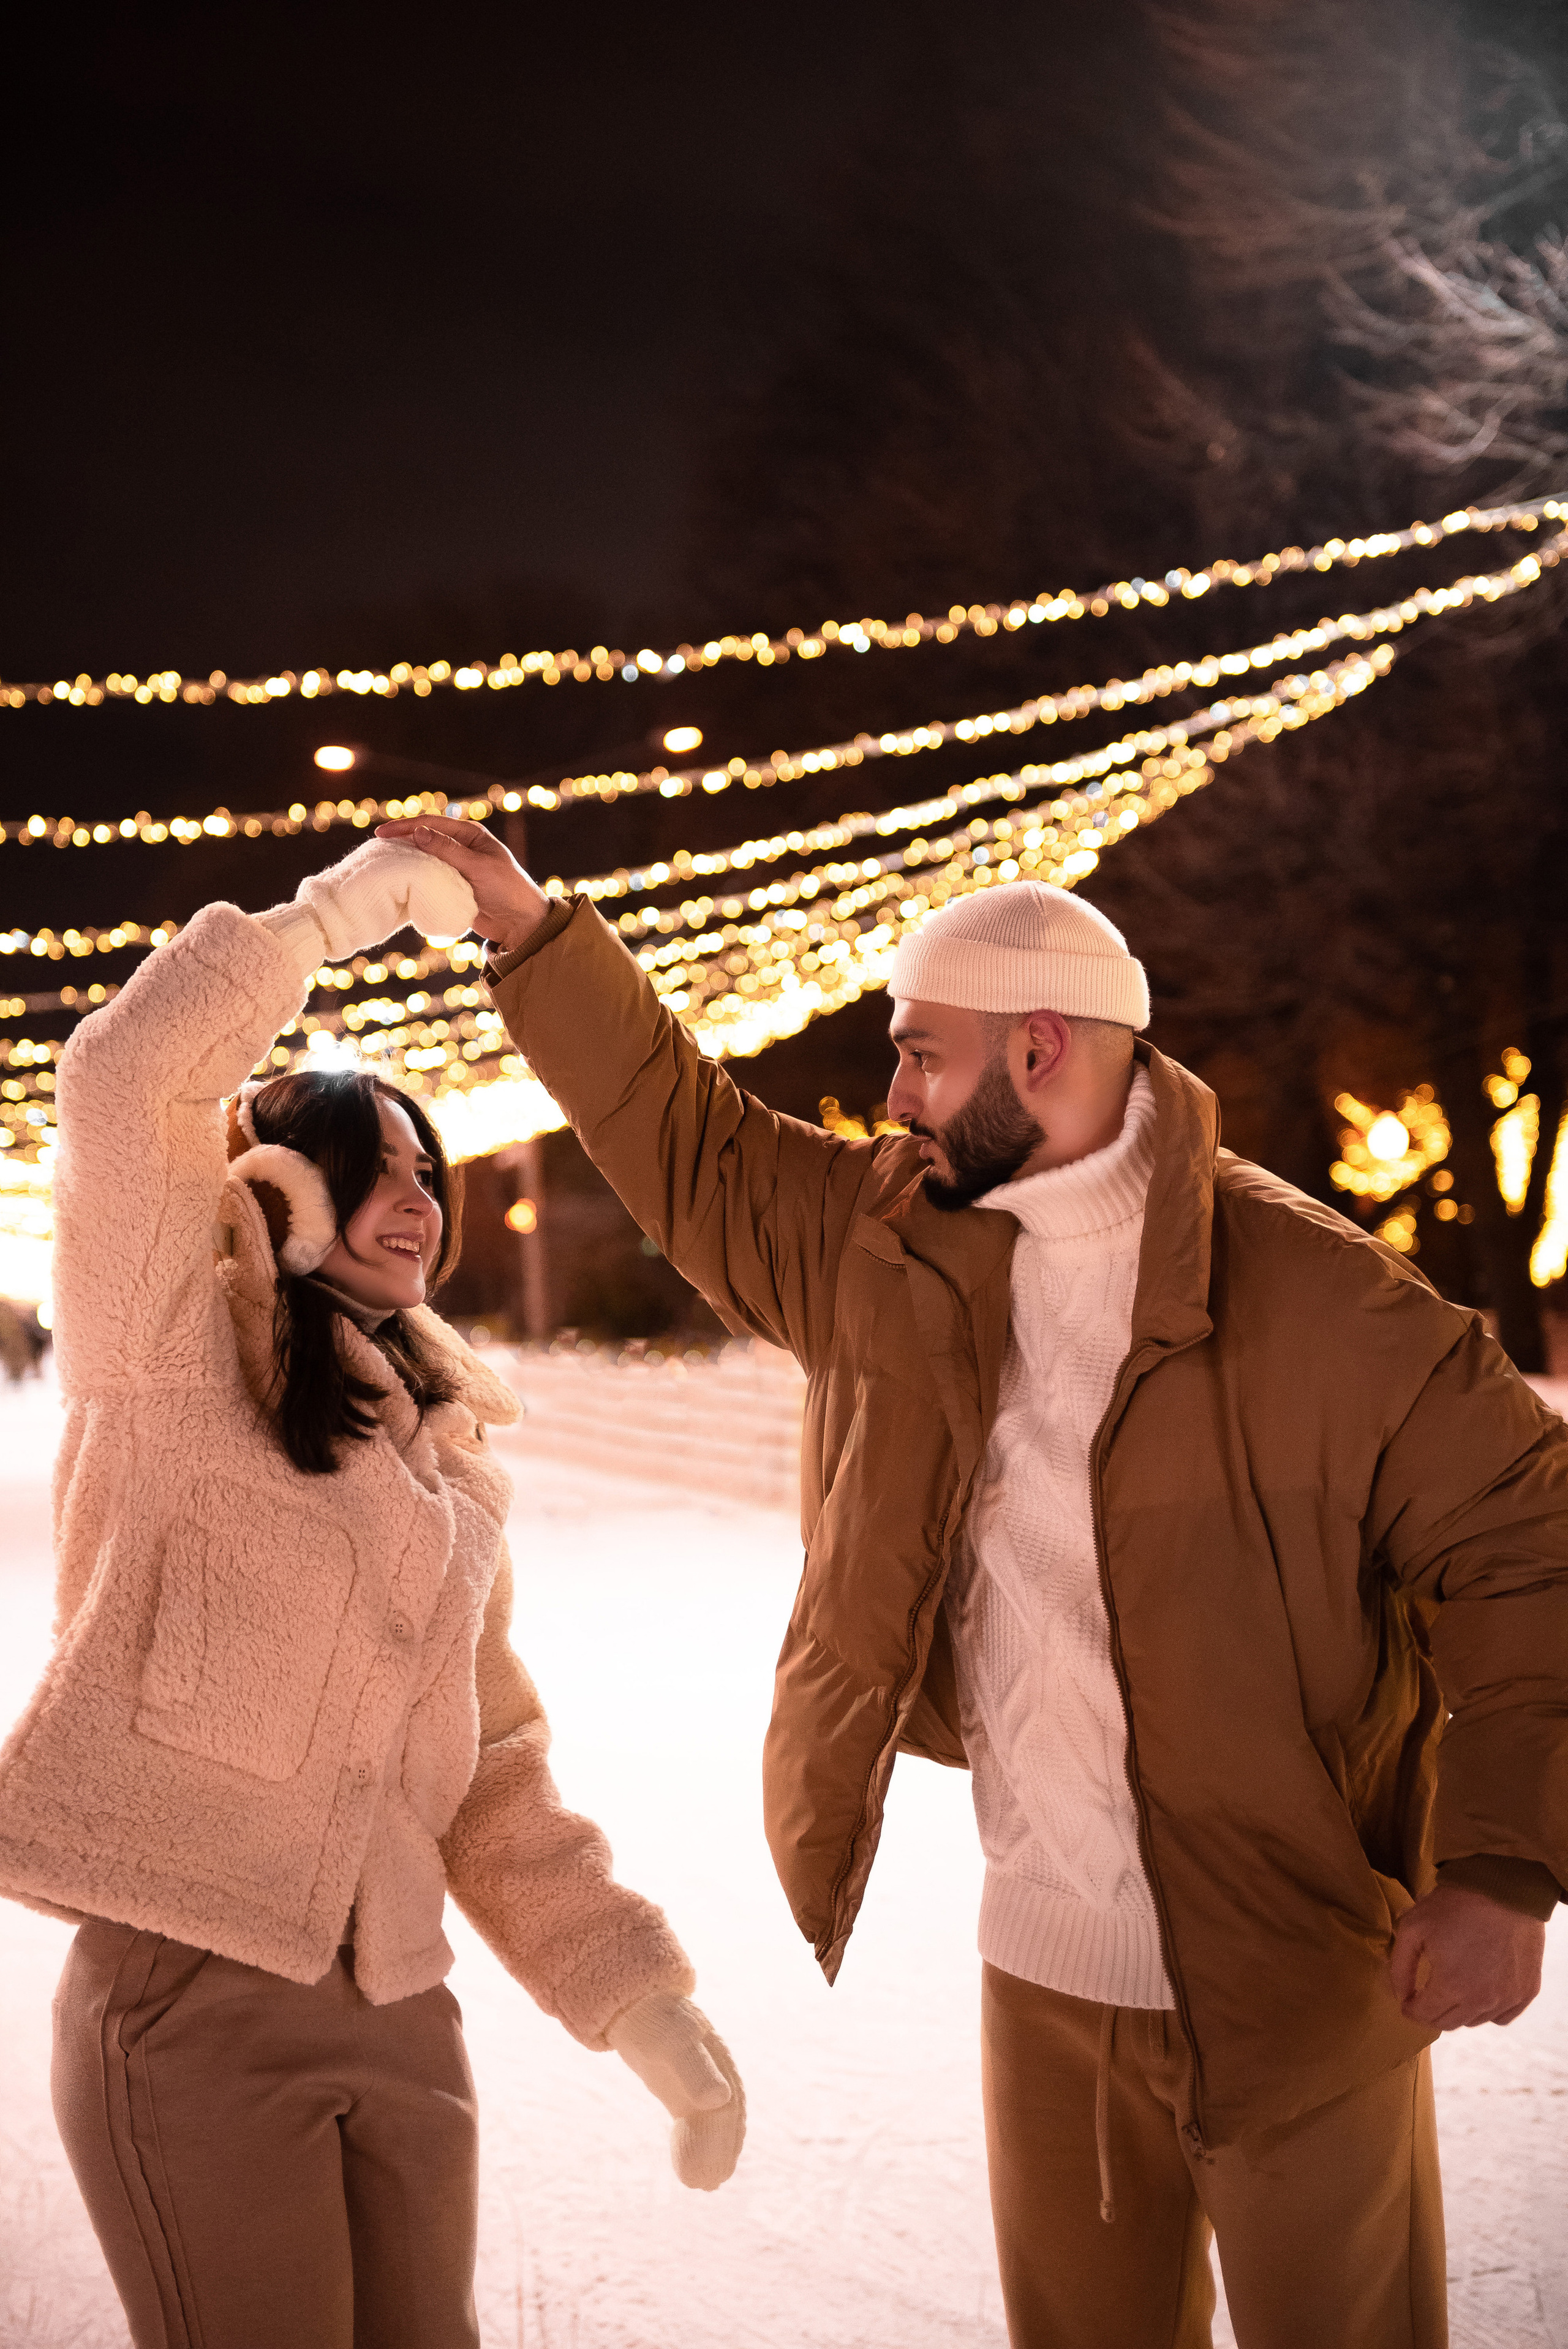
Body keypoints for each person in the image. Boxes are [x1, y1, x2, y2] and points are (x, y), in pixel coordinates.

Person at [382, 812, 1568, 2349]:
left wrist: (1498, 1870)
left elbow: (1526, 1556)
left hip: (1297, 1981)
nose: (890, 1097)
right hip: (1042, 1971)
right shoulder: (890, 1243)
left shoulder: (1325, 1301)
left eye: (920, 1057)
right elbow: (681, 1136)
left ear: (1040, 1050)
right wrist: (526, 931)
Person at [0, 841, 744, 2349]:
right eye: (372, 1166)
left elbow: (492, 1777)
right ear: (274, 1189)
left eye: (428, 1173)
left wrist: (639, 2002)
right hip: (192, 1998)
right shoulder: (169, 1359)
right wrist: (329, 919)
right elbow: (123, 1080)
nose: (417, 1199)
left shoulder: (444, 1469)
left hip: (405, 2010)